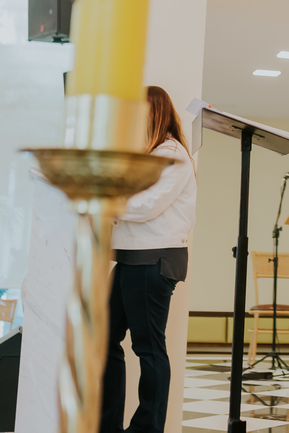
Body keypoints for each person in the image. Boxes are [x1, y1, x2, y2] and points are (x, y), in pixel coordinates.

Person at [101, 86, 197, 433]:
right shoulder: (152, 153)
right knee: (106, 340)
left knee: (149, 348)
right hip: (131, 258)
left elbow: (144, 207)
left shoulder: (172, 154)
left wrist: (105, 202)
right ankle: (107, 423)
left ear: (154, 114)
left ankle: (147, 428)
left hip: (153, 259)